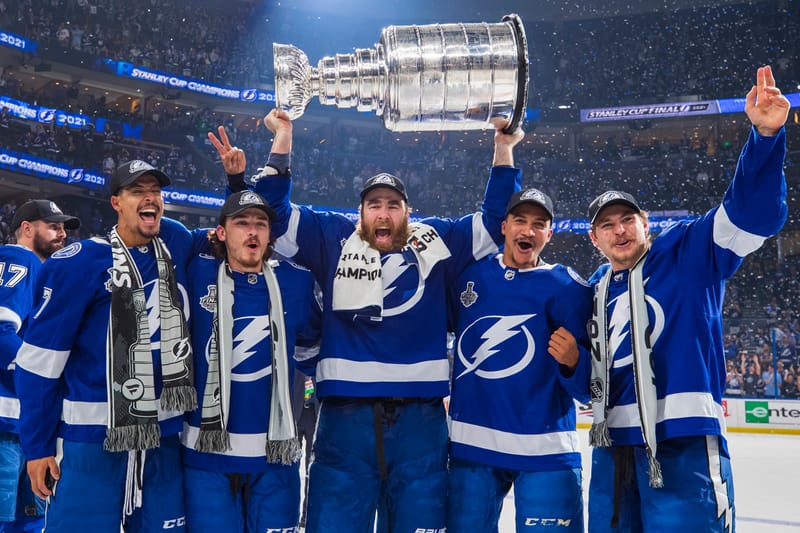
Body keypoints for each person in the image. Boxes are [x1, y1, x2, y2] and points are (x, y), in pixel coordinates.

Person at [240, 108, 522, 532]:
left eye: (393, 205)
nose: (384, 214)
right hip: (345, 419)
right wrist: (283, 137)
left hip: (420, 422)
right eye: (374, 205)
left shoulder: (437, 241)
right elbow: (275, 214)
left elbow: (496, 222)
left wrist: (503, 147)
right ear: (361, 213)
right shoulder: (334, 238)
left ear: (408, 213)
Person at [585, 65, 789, 532]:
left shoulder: (687, 252)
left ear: (645, 224)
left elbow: (750, 216)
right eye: (607, 225)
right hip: (612, 449)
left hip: (683, 442)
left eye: (627, 220)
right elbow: (590, 375)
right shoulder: (595, 289)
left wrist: (764, 137)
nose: (619, 230)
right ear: (594, 239)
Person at [14, 161, 195, 532]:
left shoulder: (176, 245)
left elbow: (238, 234)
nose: (150, 198)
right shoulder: (80, 263)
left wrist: (236, 180)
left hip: (162, 439)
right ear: (116, 202)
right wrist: (37, 447)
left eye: (156, 191)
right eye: (138, 191)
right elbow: (38, 366)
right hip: (91, 440)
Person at [446, 188, 592, 532]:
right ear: (504, 227)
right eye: (520, 221)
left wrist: (574, 362)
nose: (528, 230)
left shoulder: (569, 288)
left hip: (546, 450)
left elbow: (589, 388)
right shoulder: (470, 277)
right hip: (472, 446)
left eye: (539, 224)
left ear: (549, 234)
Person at [178, 189, 321, 532]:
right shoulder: (197, 271)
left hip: (276, 458)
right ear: (220, 233)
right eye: (242, 223)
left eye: (261, 224)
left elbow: (311, 348)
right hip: (206, 457)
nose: (253, 231)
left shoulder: (296, 281)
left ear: (271, 234)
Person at [0, 200, 79, 532]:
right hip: (6, 422)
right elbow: (1, 329)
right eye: (53, 226)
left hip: (27, 425)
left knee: (30, 521)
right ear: (27, 228)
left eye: (64, 228)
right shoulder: (19, 258)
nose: (62, 234)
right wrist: (39, 378)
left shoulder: (46, 271)